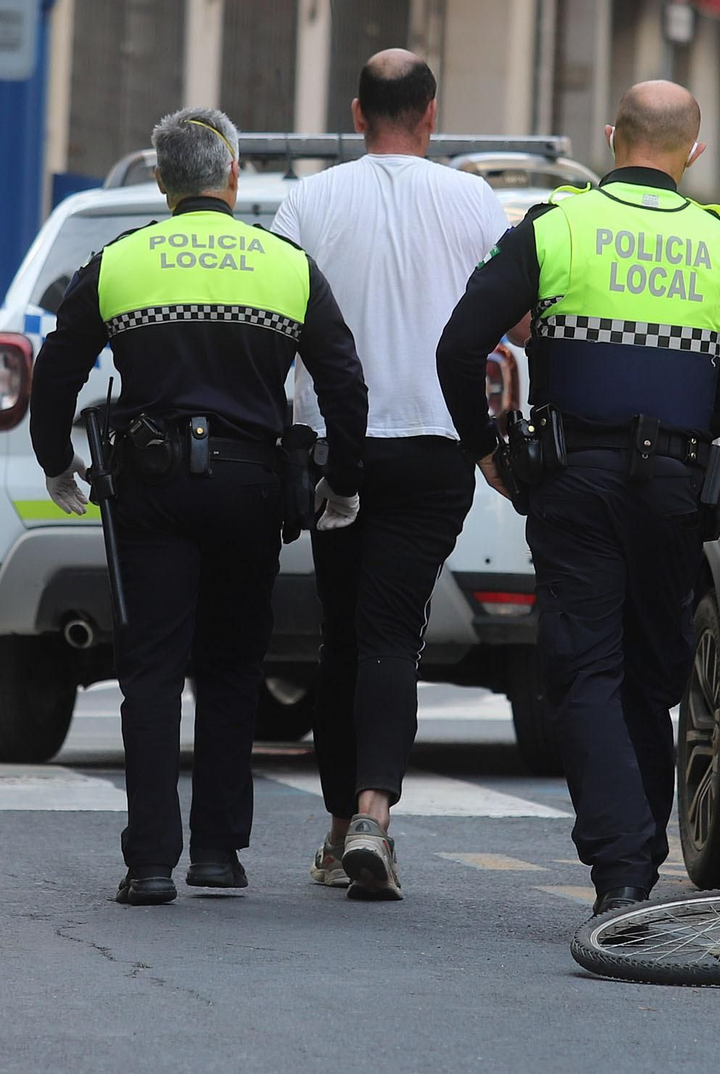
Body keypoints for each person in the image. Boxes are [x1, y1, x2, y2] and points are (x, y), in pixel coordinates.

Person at [435, 81, 720, 916]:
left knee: (584, 669)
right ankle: (638, 855)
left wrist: (484, 448)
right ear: (694, 149)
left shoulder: (558, 227)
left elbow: (459, 343)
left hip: (575, 479)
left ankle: (622, 867)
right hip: (675, 488)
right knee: (652, 676)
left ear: (613, 136)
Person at [30, 106, 368, 906]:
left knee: (150, 670)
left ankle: (150, 862)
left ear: (160, 182)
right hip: (252, 488)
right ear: (234, 177)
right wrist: (343, 480)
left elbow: (57, 368)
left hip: (149, 486)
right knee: (231, 666)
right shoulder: (285, 265)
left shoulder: (120, 262)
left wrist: (56, 462)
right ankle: (217, 853)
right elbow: (344, 379)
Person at [270, 50, 511, 900]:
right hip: (436, 448)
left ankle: (342, 829)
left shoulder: (308, 201)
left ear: (356, 111)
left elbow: (275, 320)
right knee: (390, 631)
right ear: (431, 114)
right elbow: (516, 317)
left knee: (345, 635)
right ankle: (372, 814)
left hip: (341, 445)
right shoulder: (475, 201)